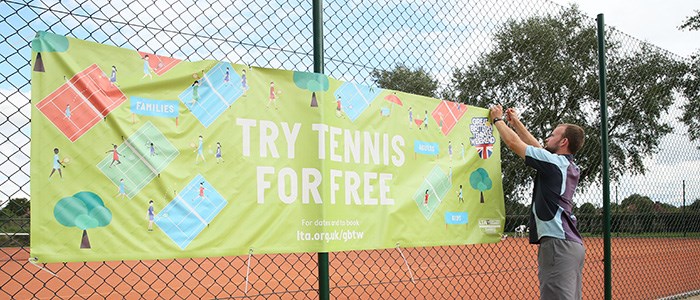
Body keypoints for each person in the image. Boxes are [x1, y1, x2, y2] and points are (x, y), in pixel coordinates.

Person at [489, 104, 585, 300]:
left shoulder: (555, 163)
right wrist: (515, 122)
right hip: (570, 245)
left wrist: (497, 120)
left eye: (552, 135)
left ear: (563, 141)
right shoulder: (566, 165)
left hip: (558, 245)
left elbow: (514, 144)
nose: (547, 138)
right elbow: (537, 148)